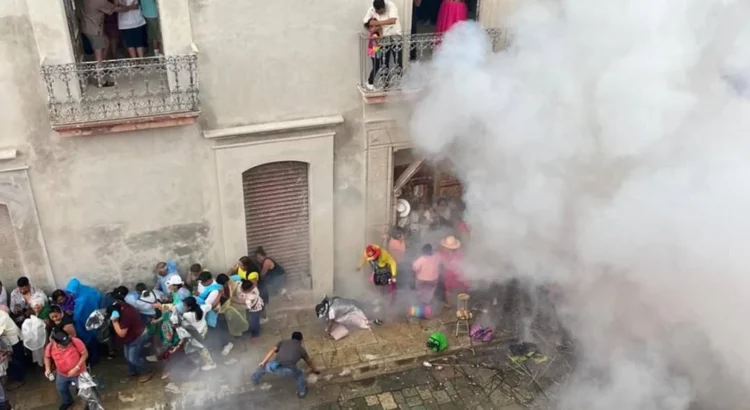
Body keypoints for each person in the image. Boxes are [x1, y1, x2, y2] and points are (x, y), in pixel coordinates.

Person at [152, 297, 216, 372]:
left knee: (200, 347)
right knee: (194, 346)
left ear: (189, 307)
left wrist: (163, 308)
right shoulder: (202, 308)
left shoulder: (187, 315)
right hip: (203, 328)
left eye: (184, 305)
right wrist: (220, 293)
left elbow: (177, 320)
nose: (183, 306)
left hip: (195, 333)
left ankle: (211, 364)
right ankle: (199, 359)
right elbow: (212, 305)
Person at [252, 332, 319, 399]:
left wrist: (263, 362)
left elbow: (272, 351)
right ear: (301, 340)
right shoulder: (301, 349)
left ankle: (254, 379)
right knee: (300, 375)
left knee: (263, 368)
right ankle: (302, 392)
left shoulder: (282, 342)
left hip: (274, 367)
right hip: (288, 370)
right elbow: (309, 362)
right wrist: (314, 370)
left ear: (292, 338)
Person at [81, 0, 132, 87]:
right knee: (99, 54)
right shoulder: (99, 1)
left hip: (89, 26)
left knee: (106, 42)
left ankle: (100, 67)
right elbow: (115, 9)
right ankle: (100, 80)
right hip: (95, 30)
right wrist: (130, 8)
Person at [110, 286, 152, 383]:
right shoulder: (121, 307)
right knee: (127, 356)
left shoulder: (127, 314)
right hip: (131, 336)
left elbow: (121, 334)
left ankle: (147, 370)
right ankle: (132, 373)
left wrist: (114, 322)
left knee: (133, 358)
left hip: (137, 336)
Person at [362, 0, 402, 91]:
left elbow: (393, 20)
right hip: (375, 49)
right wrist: (376, 27)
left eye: (381, 12)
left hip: (394, 37)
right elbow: (365, 21)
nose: (379, 13)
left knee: (397, 61)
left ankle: (399, 83)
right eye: (378, 12)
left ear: (384, 7)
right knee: (381, 63)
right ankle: (380, 83)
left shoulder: (391, 6)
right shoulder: (376, 34)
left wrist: (377, 24)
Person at [44, 330, 88, 410]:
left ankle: (86, 404)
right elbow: (47, 357)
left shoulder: (76, 342)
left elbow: (85, 354)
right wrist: (47, 369)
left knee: (85, 390)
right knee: (61, 388)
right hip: (62, 374)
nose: (67, 345)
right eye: (63, 345)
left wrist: (76, 368)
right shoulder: (50, 347)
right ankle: (67, 401)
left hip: (79, 372)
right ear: (56, 343)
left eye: (67, 343)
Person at [65, 278, 102, 364]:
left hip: (86, 321)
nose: (71, 295)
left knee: (89, 341)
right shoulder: (86, 290)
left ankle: (93, 359)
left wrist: (71, 315)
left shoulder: (81, 299)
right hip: (91, 318)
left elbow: (77, 315)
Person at [196, 272, 233, 356]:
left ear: (209, 280)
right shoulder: (202, 284)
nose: (201, 283)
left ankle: (227, 344)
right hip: (207, 312)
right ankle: (216, 345)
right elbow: (200, 293)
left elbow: (210, 305)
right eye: (200, 282)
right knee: (212, 330)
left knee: (219, 329)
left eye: (203, 282)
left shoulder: (215, 290)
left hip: (214, 313)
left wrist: (199, 300)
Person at [216, 275, 249, 341]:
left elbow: (232, 294)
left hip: (231, 302)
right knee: (232, 316)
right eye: (225, 283)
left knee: (242, 308)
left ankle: (242, 329)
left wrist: (240, 301)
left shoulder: (230, 283)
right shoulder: (216, 290)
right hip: (223, 307)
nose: (227, 284)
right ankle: (237, 332)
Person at [439, 236, 469, 308]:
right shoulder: (460, 253)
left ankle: (452, 304)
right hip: (458, 276)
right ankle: (460, 304)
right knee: (459, 290)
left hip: (452, 276)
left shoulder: (444, 253)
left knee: (450, 290)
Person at [0, 309, 24, 390]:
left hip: (13, 340)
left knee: (15, 360)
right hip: (10, 339)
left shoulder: (2, 318)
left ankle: (19, 380)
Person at [365, 18, 384, 89]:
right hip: (375, 51)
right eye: (372, 27)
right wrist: (380, 33)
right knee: (376, 67)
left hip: (374, 51)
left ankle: (370, 82)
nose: (374, 28)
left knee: (376, 66)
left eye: (376, 26)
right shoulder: (375, 34)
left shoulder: (373, 33)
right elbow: (379, 41)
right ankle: (370, 82)